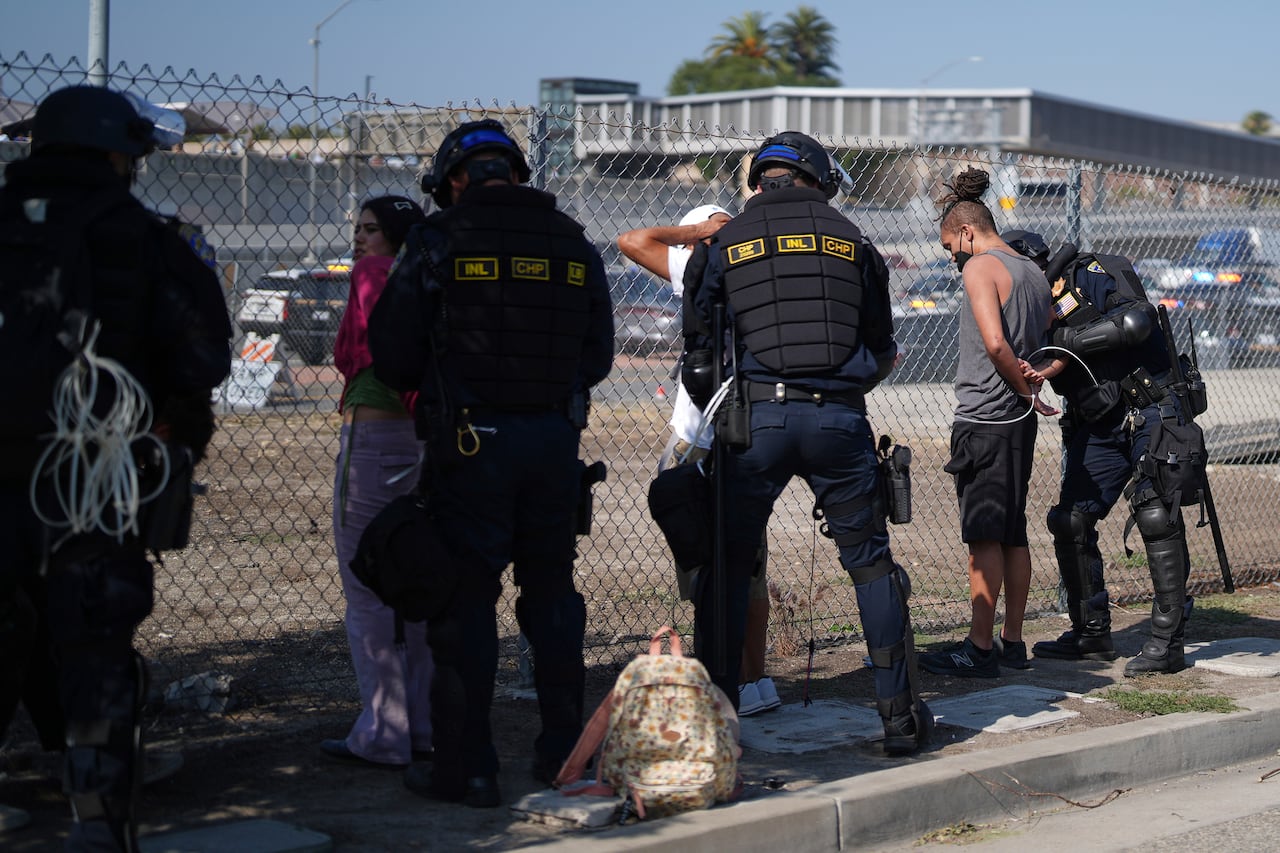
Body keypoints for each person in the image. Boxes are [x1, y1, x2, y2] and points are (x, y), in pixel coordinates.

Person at [0, 85, 232, 851]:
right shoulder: (147, 237)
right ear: (117, 155)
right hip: (97, 480)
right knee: (95, 648)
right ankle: (97, 827)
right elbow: (204, 355)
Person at [368, 119, 614, 807]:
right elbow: (596, 357)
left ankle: (467, 767)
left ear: (453, 179)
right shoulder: (572, 241)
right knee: (554, 598)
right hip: (552, 446)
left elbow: (392, 355)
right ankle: (565, 750)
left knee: (465, 602)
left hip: (471, 445)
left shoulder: (438, 238)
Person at [684, 131, 931, 754]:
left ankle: (717, 732)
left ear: (760, 179)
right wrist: (843, 388)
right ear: (818, 177)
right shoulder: (856, 240)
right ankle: (900, 720)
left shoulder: (724, 242)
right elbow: (882, 349)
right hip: (839, 422)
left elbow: (697, 358)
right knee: (872, 567)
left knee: (727, 568)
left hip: (754, 424)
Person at [1008, 231, 1197, 675]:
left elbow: (1137, 321)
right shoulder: (1025, 311)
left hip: (1151, 406)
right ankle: (1090, 633)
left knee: (1154, 513)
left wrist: (1065, 344)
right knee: (1069, 519)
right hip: (1096, 421)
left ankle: (1168, 641)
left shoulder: (1090, 272)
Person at [618, 206, 781, 717]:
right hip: (703, 439)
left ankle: (749, 680)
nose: (723, 234)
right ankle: (738, 676)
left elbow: (635, 234)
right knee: (714, 563)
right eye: (716, 229)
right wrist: (700, 236)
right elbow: (629, 238)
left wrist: (700, 235)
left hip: (723, 439)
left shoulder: (731, 265)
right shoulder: (698, 267)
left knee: (741, 567)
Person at [917, 169, 1055, 680]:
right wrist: (1032, 391)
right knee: (1013, 532)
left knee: (983, 538)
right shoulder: (1032, 270)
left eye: (951, 244)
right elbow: (1034, 344)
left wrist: (1026, 392)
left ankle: (978, 649)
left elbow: (998, 345)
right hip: (1016, 423)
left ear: (968, 232)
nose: (952, 257)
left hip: (985, 418)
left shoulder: (982, 268)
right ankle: (1012, 642)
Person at [322, 195, 435, 769]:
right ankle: (422, 726)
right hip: (424, 438)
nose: (361, 239)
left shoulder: (371, 273)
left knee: (366, 588)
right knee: (417, 581)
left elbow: (349, 353)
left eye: (370, 229)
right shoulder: (436, 270)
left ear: (392, 234)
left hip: (372, 438)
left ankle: (382, 732)